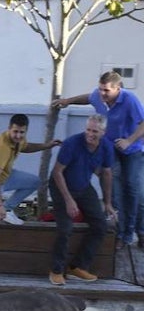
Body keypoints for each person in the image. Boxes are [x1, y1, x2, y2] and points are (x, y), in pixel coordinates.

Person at [0, 113, 60, 281]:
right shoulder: (2, 146)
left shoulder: (18, 140)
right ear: (9, 129)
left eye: (22, 132)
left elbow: (26, 146)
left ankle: (8, 210)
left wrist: (47, 146)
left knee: (34, 182)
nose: (18, 136)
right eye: (15, 132)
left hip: (5, 177)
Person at [54, 71, 144, 249]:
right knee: (115, 192)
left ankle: (137, 232)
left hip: (132, 149)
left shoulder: (129, 99)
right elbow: (87, 98)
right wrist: (67, 101)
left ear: (118, 89)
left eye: (107, 91)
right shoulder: (98, 96)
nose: (102, 94)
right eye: (100, 89)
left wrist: (129, 141)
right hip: (111, 148)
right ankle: (120, 234)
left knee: (134, 190)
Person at [48, 114, 117, 285]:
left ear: (103, 132)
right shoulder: (72, 143)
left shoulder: (106, 147)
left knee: (101, 226)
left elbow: (107, 174)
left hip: (83, 187)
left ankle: (77, 267)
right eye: (88, 129)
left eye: (95, 131)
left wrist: (107, 203)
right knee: (65, 228)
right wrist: (69, 200)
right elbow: (57, 172)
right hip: (61, 185)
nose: (90, 134)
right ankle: (56, 270)